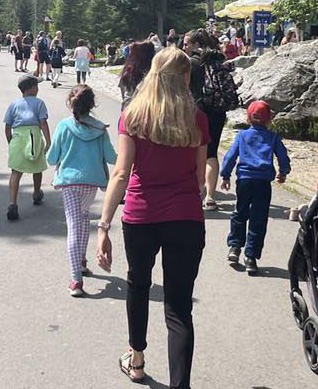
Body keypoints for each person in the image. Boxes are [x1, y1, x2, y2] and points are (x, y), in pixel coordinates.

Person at [96, 48, 208, 387]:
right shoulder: (197, 118)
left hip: (141, 216)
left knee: (139, 285)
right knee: (179, 307)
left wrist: (103, 225)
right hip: (186, 218)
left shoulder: (133, 116)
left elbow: (121, 173)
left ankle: (137, 359)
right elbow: (200, 179)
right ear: (185, 77)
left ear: (154, 75)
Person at [47, 85, 117, 297]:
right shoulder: (100, 129)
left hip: (70, 182)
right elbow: (111, 157)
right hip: (92, 182)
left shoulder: (64, 126)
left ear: (71, 104)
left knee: (73, 227)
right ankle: (81, 261)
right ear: (92, 104)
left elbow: (52, 158)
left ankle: (76, 279)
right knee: (83, 220)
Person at [220, 100, 289, 275]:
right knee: (259, 217)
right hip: (263, 182)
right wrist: (283, 171)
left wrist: (226, 175)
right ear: (269, 120)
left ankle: (235, 247)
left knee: (239, 212)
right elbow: (282, 156)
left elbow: (230, 156)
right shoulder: (273, 137)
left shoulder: (242, 136)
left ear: (248, 118)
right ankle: (251, 257)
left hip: (244, 180)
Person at [184, 29, 234, 211]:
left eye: (187, 43)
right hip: (217, 111)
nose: (184, 47)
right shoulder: (218, 60)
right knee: (211, 153)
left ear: (196, 44)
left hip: (196, 112)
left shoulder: (192, 63)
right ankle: (210, 197)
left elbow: (185, 88)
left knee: (193, 151)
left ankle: (195, 193)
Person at [3, 75, 51, 221]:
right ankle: (36, 193)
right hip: (34, 136)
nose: (38, 89)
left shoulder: (14, 104)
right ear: (32, 88)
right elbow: (43, 123)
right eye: (37, 86)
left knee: (15, 172)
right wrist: (48, 141)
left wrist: (10, 141)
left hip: (18, 137)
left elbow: (7, 126)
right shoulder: (39, 103)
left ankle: (12, 203)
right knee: (37, 167)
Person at [118, 41, 155, 114]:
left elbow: (123, 93)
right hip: (145, 112)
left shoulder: (127, 71)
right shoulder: (153, 73)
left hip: (128, 110)